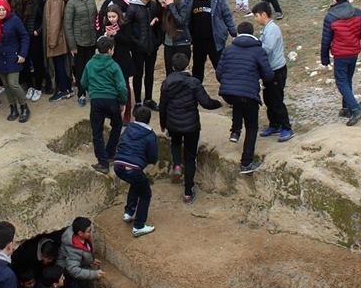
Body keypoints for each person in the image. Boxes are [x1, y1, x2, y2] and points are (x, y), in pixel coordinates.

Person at [158, 53, 223, 203]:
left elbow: (163, 106)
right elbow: (206, 102)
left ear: (173, 67)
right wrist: (218, 104)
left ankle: (176, 165)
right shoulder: (193, 82)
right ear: (188, 66)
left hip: (173, 122)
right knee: (190, 156)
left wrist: (163, 123)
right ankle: (188, 192)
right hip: (191, 125)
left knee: (175, 143)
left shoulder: (166, 83)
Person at [215, 22, 273, 174]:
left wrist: (230, 82)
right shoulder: (258, 51)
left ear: (238, 33)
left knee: (237, 101)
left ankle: (235, 131)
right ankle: (246, 162)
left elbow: (219, 73)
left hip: (228, 92)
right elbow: (268, 74)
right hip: (248, 94)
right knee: (252, 126)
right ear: (252, 32)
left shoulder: (228, 50)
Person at [170, 0, 236, 82]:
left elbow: (227, 16)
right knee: (198, 68)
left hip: (215, 39)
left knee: (220, 67)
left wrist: (233, 32)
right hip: (197, 40)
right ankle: (197, 90)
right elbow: (184, 17)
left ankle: (228, 89)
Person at [320, 0, 361, 126]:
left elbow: (326, 39)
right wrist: (354, 36)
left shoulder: (330, 17)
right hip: (354, 51)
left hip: (340, 54)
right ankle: (347, 107)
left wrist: (324, 58)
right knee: (347, 79)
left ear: (334, 0)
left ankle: (355, 109)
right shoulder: (357, 13)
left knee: (341, 81)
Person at [80, 35, 128, 173]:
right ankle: (110, 152)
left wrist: (92, 91)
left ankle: (103, 162)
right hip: (112, 100)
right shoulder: (114, 65)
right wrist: (122, 101)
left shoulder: (90, 64)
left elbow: (83, 82)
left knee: (97, 132)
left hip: (96, 101)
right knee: (117, 125)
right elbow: (121, 87)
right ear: (110, 50)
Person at [114, 105, 158, 236]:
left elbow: (120, 143)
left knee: (136, 184)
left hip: (118, 165)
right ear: (149, 119)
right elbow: (152, 156)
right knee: (145, 194)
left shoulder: (127, 129)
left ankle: (129, 212)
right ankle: (139, 226)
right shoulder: (150, 135)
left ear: (135, 116)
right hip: (134, 168)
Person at [252, 1, 293, 142]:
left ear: (264, 14)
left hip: (276, 69)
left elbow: (266, 49)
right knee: (268, 99)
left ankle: (286, 127)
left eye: (256, 16)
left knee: (276, 99)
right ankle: (274, 124)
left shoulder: (272, 29)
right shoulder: (266, 29)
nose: (255, 19)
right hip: (269, 70)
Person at [0, 0, 31, 123]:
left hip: (13, 56)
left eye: (3, 9)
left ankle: (24, 107)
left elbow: (24, 36)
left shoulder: (14, 20)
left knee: (13, 84)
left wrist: (23, 54)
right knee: (6, 85)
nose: (1, 12)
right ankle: (13, 108)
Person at [63, 0, 98, 107]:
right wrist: (72, 45)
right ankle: (81, 93)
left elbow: (96, 18)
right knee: (80, 69)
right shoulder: (71, 3)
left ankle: (92, 90)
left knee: (91, 67)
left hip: (91, 40)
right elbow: (68, 25)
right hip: (79, 42)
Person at [130, 0, 161, 110]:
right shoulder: (133, 8)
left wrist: (158, 41)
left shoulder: (154, 6)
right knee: (138, 74)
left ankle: (148, 98)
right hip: (138, 47)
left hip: (151, 47)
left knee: (150, 73)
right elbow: (128, 27)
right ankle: (137, 101)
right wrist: (135, 42)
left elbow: (159, 26)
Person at [45, 0, 73, 102]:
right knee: (62, 63)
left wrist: (52, 41)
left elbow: (54, 21)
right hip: (60, 36)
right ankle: (66, 88)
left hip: (57, 38)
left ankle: (63, 90)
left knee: (59, 65)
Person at [57, 217, 104, 288]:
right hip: (67, 275)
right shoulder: (73, 249)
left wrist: (91, 260)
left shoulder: (81, 237)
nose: (90, 233)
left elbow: (85, 250)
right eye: (88, 231)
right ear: (80, 233)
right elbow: (73, 271)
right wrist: (94, 274)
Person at [157, 0, 191, 75]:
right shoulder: (163, 10)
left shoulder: (180, 5)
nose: (162, 5)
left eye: (164, 2)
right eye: (160, 3)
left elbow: (181, 21)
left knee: (182, 71)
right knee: (169, 72)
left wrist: (171, 6)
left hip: (182, 43)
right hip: (169, 45)